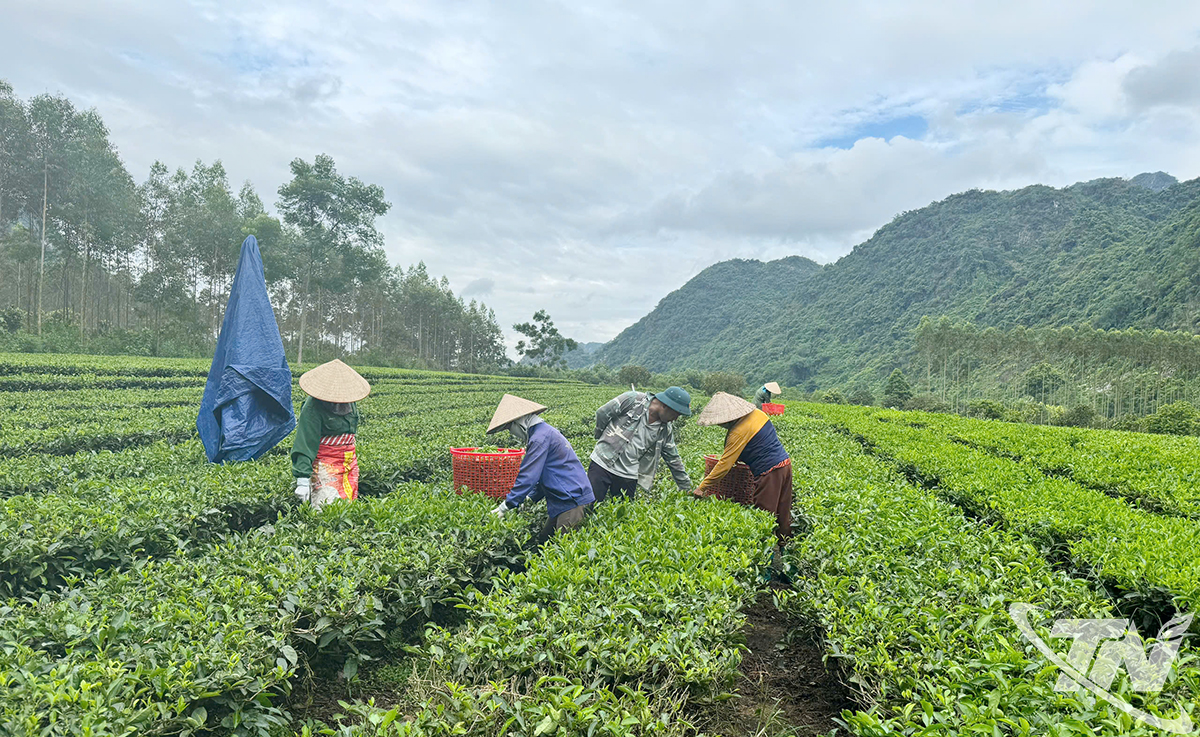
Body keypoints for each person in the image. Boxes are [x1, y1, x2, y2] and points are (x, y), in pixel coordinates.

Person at [487, 394, 595, 549]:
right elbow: (545, 473)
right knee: (545, 540)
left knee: (564, 548)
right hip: (562, 498)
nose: (511, 433)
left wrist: (507, 505)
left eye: (510, 427)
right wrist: (530, 498)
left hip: (571, 499)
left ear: (519, 422)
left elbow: (528, 476)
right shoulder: (544, 433)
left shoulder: (539, 438)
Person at [691, 392, 792, 551]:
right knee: (783, 511)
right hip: (785, 465)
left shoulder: (737, 432)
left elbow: (724, 465)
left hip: (769, 472)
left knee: (763, 516)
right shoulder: (758, 414)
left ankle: (764, 557)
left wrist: (702, 487)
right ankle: (786, 553)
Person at [589, 386, 693, 502]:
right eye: (676, 414)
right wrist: (602, 437)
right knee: (589, 505)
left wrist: (687, 488)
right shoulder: (633, 400)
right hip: (603, 462)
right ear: (665, 406)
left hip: (628, 474)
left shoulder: (665, 430)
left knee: (622, 510)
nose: (675, 419)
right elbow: (603, 413)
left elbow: (673, 459)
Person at [291, 359, 371, 510]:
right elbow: (305, 442)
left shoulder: (350, 402)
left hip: (348, 463)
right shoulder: (312, 407)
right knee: (325, 507)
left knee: (348, 507)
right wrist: (302, 479)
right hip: (325, 467)